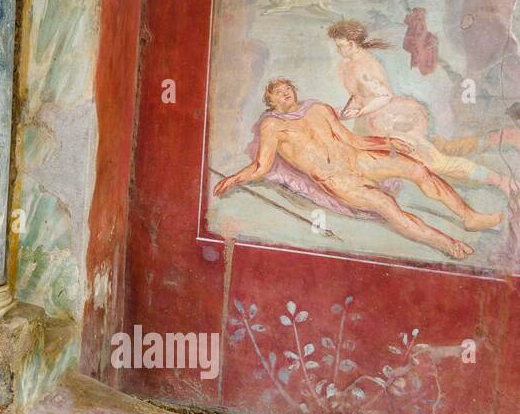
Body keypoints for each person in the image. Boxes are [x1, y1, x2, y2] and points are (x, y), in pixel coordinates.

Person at [214, 79, 503, 259]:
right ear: (271, 102)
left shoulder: (319, 108)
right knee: (388, 206)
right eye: (277, 92)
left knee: (418, 170)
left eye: (286, 87)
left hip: (358, 158)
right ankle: (447, 243)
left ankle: (470, 216)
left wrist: (387, 140)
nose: (284, 92)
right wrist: (235, 178)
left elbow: (351, 139)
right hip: (338, 180)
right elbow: (262, 166)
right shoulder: (272, 125)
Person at [328, 19, 516, 196]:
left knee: (436, 163)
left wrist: (359, 112)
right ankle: (496, 139)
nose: (338, 49)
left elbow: (384, 96)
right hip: (371, 121)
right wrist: (346, 111)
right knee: (438, 150)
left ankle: (501, 181)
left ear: (352, 44)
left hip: (391, 120)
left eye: (340, 45)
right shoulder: (345, 65)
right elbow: (357, 95)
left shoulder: (365, 65)